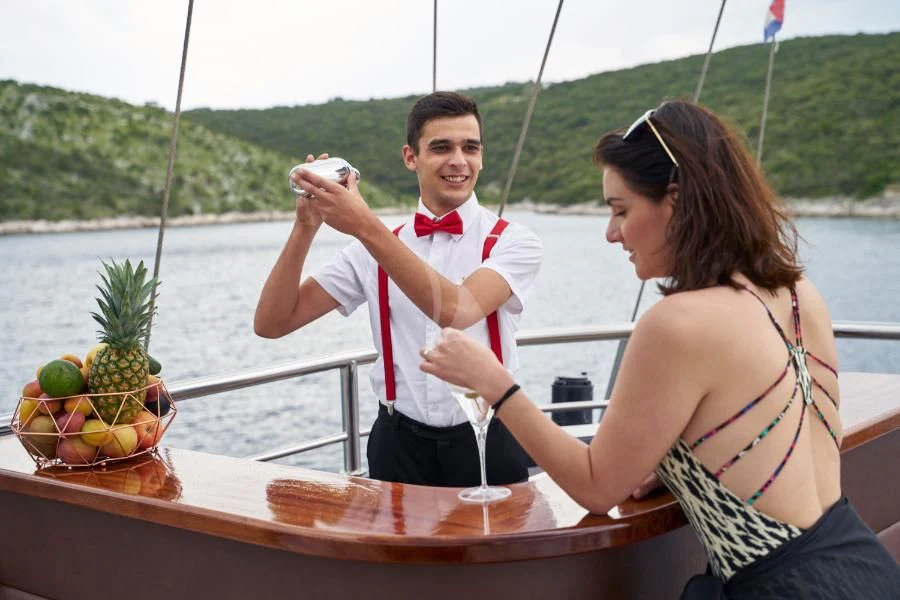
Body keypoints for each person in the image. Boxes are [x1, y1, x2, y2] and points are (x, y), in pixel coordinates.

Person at [419, 100, 900, 598]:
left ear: (675, 201)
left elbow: (596, 487)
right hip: (862, 567)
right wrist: (672, 461)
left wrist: (495, 382)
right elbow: (767, 435)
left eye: (621, 210)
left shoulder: (677, 325)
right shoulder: (800, 295)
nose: (611, 233)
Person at [255, 91, 543, 487]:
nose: (458, 160)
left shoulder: (514, 241)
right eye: (441, 147)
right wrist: (306, 225)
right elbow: (272, 322)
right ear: (411, 157)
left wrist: (364, 224)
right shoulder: (370, 247)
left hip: (488, 436)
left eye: (470, 147)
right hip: (397, 442)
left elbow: (457, 310)